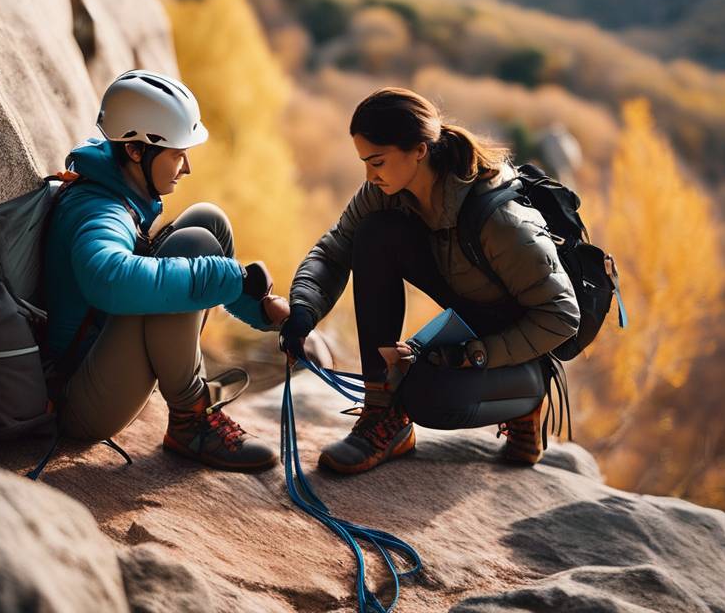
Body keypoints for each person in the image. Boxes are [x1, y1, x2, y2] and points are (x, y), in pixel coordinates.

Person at [280, 88, 581, 474]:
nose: (370, 176)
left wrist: (476, 354)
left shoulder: (500, 220)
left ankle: (527, 398)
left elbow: (561, 316)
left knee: (426, 397)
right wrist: (304, 311)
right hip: (466, 315)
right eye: (365, 162)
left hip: (514, 342)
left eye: (378, 162)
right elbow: (334, 250)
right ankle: (381, 414)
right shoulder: (385, 192)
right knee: (374, 233)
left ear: (419, 150)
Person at [43, 69, 289, 471]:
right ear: (137, 151)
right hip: (79, 399)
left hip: (101, 361)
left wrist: (262, 310)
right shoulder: (99, 208)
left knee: (208, 222)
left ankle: (192, 402)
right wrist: (230, 276)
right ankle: (192, 420)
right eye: (177, 154)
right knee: (193, 248)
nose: (186, 166)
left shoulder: (114, 185)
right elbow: (109, 279)